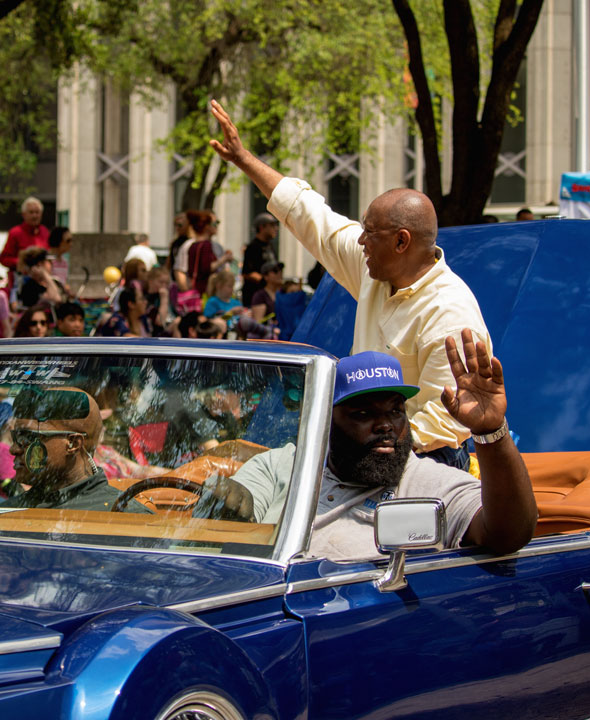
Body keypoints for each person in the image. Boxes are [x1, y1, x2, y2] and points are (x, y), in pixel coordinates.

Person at [209, 99, 491, 470]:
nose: (360, 241)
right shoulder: (377, 267)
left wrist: (349, 450)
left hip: (426, 459)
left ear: (401, 241)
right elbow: (311, 216)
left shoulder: (450, 313)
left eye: (369, 233)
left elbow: (442, 422)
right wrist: (244, 159)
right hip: (367, 444)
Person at [220, 336, 537, 560]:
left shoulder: (427, 483)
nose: (385, 425)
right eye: (363, 414)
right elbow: (230, 525)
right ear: (327, 422)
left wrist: (490, 430)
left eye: (395, 411)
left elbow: (507, 534)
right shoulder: (284, 465)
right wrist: (229, 507)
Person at [1, 387, 146, 512]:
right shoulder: (5, 512)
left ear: (73, 444)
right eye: (16, 437)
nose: (13, 449)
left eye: (28, 438)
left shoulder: (123, 516)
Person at [0, 196, 50, 293]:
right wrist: (23, 262)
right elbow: (4, 259)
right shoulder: (16, 233)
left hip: (42, 283)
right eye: (31, 212)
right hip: (21, 284)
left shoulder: (45, 232)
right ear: (24, 214)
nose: (35, 216)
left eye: (37, 212)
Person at [186, 210, 234, 295]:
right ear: (206, 226)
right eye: (214, 224)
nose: (217, 227)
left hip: (195, 290)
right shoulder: (206, 245)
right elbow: (207, 268)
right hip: (205, 291)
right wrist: (225, 258)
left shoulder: (193, 245)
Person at [241, 212, 280, 306]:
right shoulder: (252, 247)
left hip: (269, 295)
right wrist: (266, 281)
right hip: (255, 295)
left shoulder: (270, 246)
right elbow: (247, 273)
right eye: (272, 225)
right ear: (262, 227)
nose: (276, 228)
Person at [251, 260, 283, 325]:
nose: (279, 273)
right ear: (266, 276)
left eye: (281, 270)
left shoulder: (285, 293)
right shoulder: (260, 296)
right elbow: (258, 323)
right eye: (275, 271)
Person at [47, 226, 73, 292]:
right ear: (58, 241)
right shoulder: (48, 260)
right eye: (68, 241)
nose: (71, 244)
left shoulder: (64, 262)